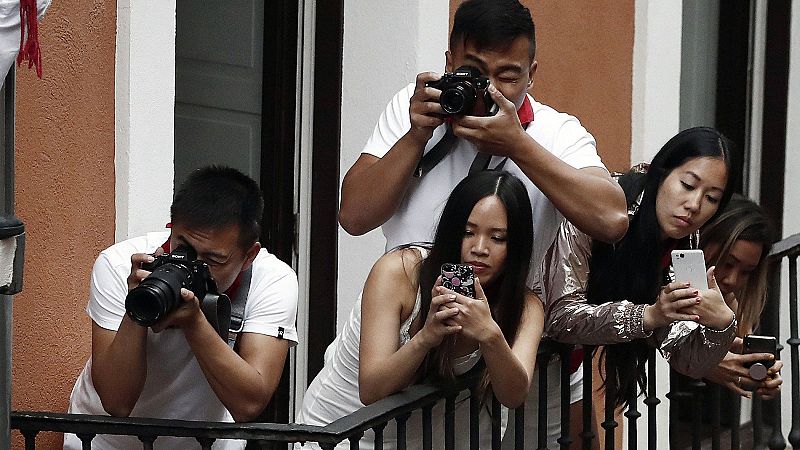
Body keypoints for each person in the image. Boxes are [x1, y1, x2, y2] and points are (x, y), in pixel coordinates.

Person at [338, 0, 627, 443]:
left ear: (533, 72)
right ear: (449, 62)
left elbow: (611, 218)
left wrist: (519, 146)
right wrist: (417, 135)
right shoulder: (414, 109)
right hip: (396, 336)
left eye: (508, 77)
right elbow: (354, 216)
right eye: (475, 71)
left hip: (487, 356)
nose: (489, 89)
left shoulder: (555, 133)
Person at [296, 170, 544, 449]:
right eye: (467, 232)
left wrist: (490, 335)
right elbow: (372, 389)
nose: (480, 248)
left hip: (419, 435)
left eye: (498, 238)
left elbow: (513, 395)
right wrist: (426, 337)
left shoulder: (525, 307)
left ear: (517, 246)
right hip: (344, 430)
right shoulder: (399, 272)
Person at [64, 166, 298, 450]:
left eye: (213, 260)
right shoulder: (119, 264)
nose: (195, 267)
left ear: (249, 255)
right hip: (107, 441)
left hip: (203, 443)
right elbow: (116, 402)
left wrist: (195, 324)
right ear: (171, 228)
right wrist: (138, 307)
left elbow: (248, 404)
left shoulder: (271, 280)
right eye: (184, 249)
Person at [540, 127, 738, 412]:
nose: (694, 205)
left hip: (565, 368)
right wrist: (649, 315)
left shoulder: (685, 242)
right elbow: (559, 318)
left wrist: (721, 325)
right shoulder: (603, 208)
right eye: (688, 185)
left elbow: (686, 359)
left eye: (712, 198)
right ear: (661, 172)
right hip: (516, 357)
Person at [699, 194, 783, 399]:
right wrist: (706, 363)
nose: (732, 279)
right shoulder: (665, 284)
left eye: (747, 271)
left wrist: (762, 374)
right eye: (727, 263)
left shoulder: (730, 303)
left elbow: (737, 356)